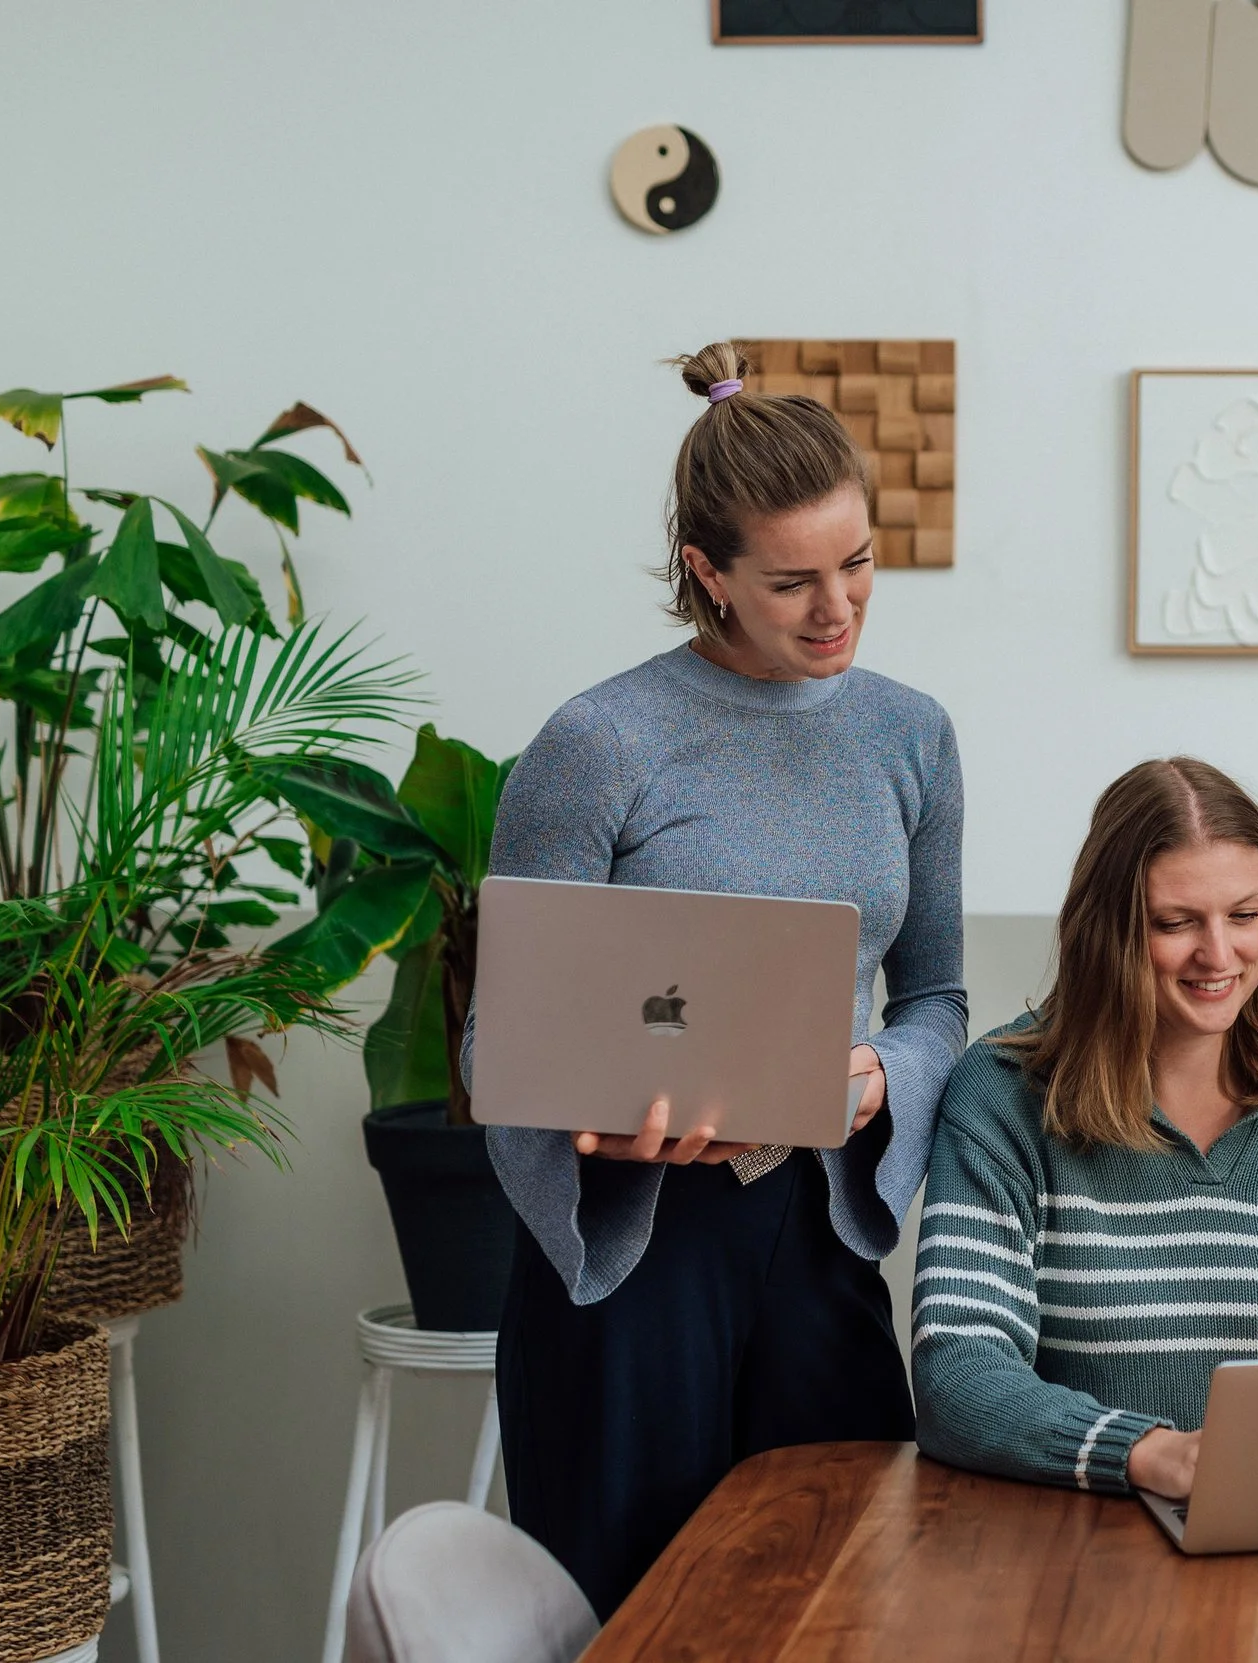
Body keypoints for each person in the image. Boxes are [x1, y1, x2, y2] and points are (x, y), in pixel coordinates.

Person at [468, 341, 966, 1616]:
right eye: (791, 581)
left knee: (841, 1590)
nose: (837, 607)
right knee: (634, 1611)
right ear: (707, 573)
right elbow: (496, 1041)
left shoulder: (909, 734)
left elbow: (934, 1002)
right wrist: (599, 1121)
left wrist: (876, 1080)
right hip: (636, 1256)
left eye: (855, 563)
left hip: (817, 1229)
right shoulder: (600, 743)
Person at [913, 758, 1258, 1499]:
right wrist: (1146, 1452)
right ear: (1109, 927)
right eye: (1176, 922)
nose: (1219, 956)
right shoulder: (1001, 1096)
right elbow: (956, 1371)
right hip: (1070, 1544)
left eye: (1244, 915)